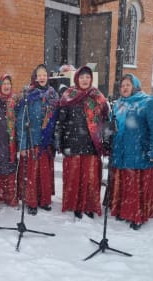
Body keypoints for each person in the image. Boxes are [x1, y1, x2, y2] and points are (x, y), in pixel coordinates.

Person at [109, 73, 153, 230]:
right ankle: (123, 211)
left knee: (136, 186)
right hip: (121, 152)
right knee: (125, 185)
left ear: (135, 85)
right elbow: (113, 126)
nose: (125, 88)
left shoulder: (148, 102)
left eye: (128, 84)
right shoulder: (118, 104)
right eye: (122, 85)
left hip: (139, 152)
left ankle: (137, 216)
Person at [56, 66, 110, 219]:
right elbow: (61, 121)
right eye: (82, 77)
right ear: (76, 78)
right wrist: (61, 141)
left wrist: (106, 139)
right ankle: (75, 205)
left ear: (91, 79)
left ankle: (89, 205)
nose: (85, 80)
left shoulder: (98, 97)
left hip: (92, 144)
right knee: (74, 177)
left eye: (87, 77)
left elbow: (106, 120)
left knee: (90, 179)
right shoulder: (68, 96)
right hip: (72, 142)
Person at [16, 64, 59, 215]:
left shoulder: (53, 95)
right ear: (35, 77)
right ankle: (32, 202)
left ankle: (44, 200)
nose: (42, 77)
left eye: (44, 74)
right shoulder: (28, 95)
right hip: (32, 140)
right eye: (39, 75)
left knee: (44, 173)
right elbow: (21, 120)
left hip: (46, 141)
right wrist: (22, 145)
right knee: (32, 174)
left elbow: (57, 120)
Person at [0, 74, 18, 208]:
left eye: (9, 84)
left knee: (9, 167)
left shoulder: (14, 101)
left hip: (10, 142)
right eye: (4, 84)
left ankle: (8, 196)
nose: (7, 86)